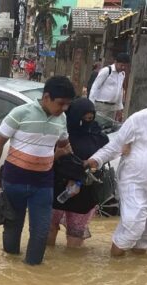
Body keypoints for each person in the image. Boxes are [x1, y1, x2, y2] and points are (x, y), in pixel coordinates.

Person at [86, 85, 147, 257]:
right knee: (133, 226)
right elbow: (116, 146)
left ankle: (134, 277)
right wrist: (96, 159)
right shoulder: (139, 119)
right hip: (135, 183)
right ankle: (115, 268)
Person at [0, 76, 76, 265]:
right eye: (61, 103)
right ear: (46, 97)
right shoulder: (20, 113)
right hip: (13, 181)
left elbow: (64, 145)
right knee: (12, 226)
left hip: (43, 185)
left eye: (67, 105)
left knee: (41, 231)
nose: (64, 108)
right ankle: (10, 270)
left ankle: (32, 271)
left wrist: (72, 172)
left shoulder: (62, 119)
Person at [47, 98, 109, 248]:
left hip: (84, 193)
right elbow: (48, 159)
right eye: (83, 118)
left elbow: (100, 161)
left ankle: (71, 263)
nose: (87, 122)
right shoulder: (59, 133)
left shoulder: (98, 136)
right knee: (48, 227)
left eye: (90, 118)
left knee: (76, 233)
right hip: (57, 188)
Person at [88, 52, 131, 122]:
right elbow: (95, 87)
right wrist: (90, 105)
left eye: (125, 66)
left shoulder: (122, 74)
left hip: (113, 108)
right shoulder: (107, 71)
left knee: (108, 128)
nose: (123, 68)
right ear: (116, 62)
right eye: (122, 65)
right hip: (101, 106)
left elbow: (119, 91)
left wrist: (120, 108)